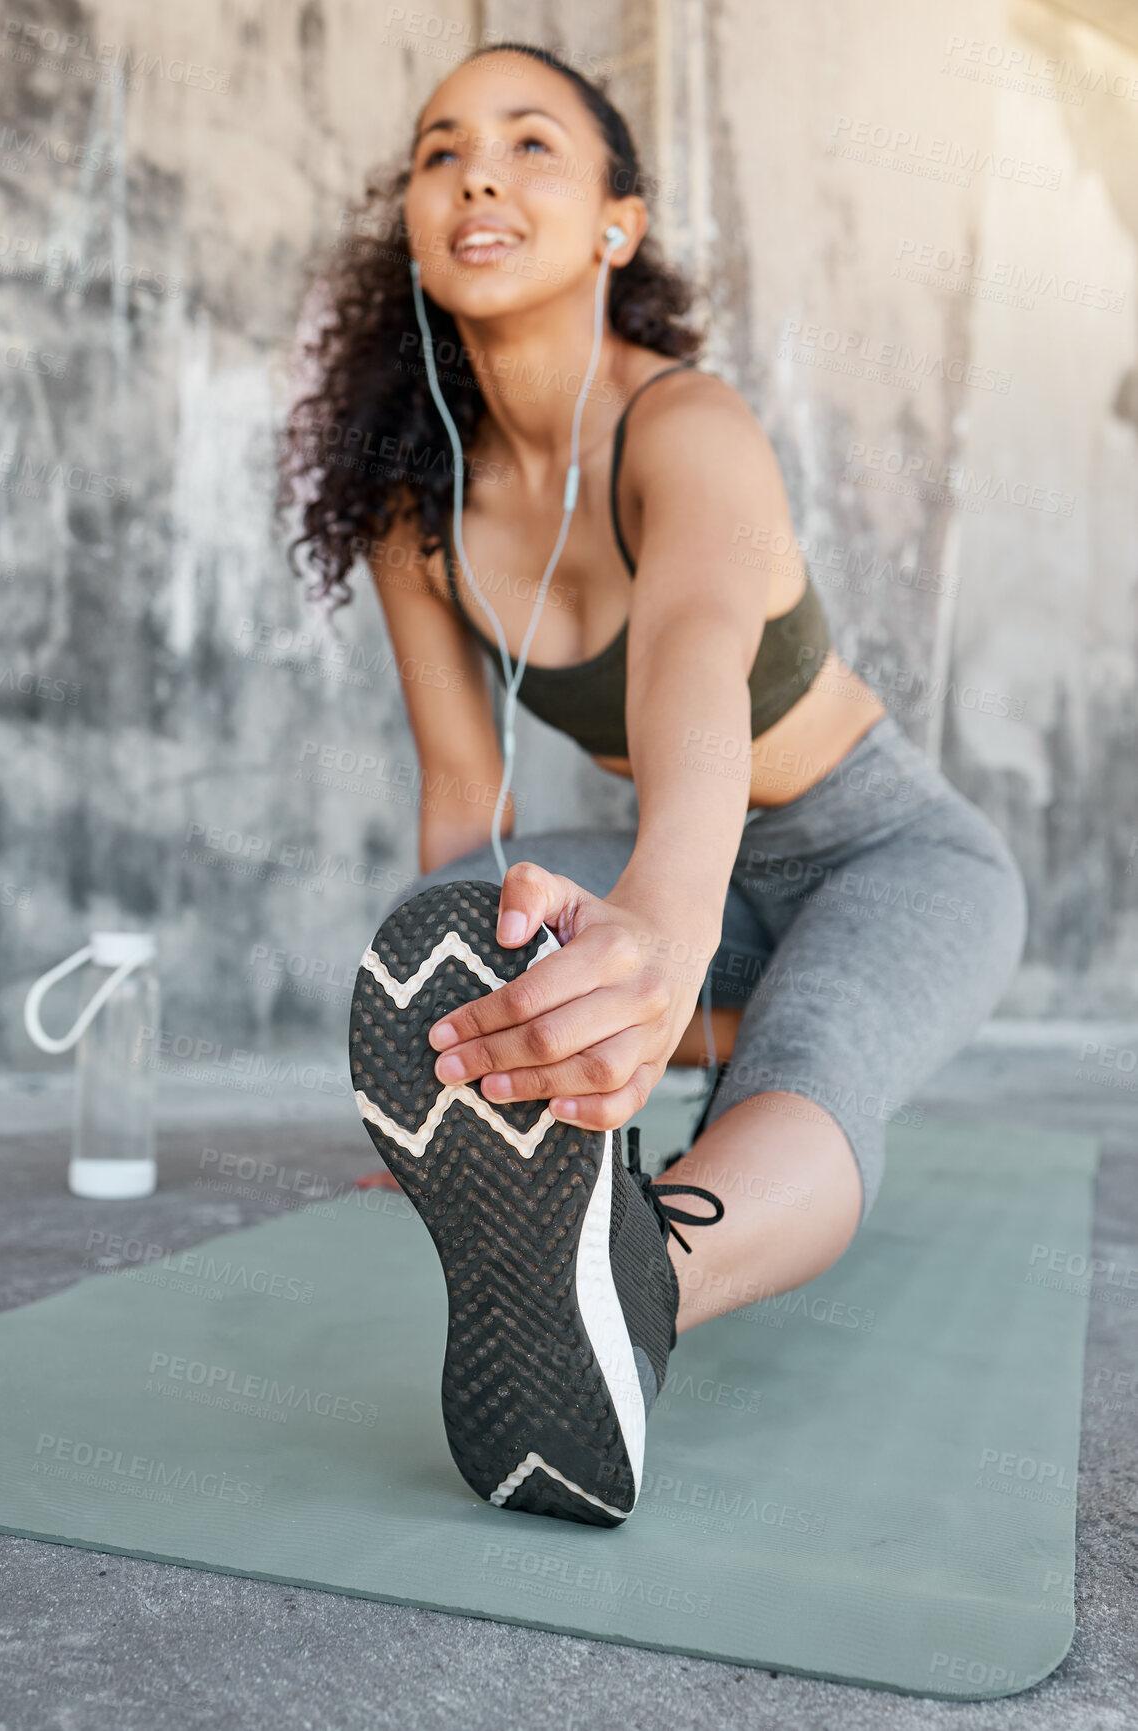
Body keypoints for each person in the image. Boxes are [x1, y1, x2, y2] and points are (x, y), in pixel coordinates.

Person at [279, 42, 1028, 1526]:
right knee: (452, 913)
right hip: (707, 876)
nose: (474, 171)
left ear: (619, 222)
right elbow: (460, 802)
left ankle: (635, 1280)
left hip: (883, 858)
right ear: (416, 225)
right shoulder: (412, 516)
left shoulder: (688, 427)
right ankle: (580, 1135)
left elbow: (691, 661)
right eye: (439, 151)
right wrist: (454, 1064)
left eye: (530, 142)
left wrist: (660, 936)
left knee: (817, 1044)